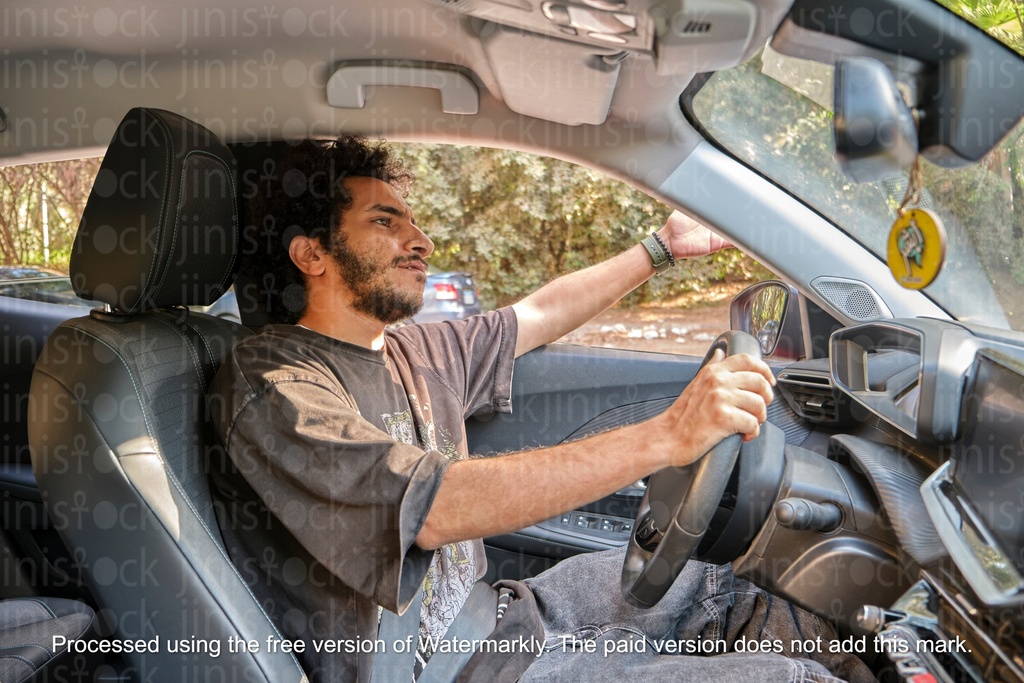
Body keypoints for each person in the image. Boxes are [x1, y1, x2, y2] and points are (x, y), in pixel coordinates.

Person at [209, 135, 873, 683]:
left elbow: (540, 312)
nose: (421, 241)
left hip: (503, 618)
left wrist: (661, 248)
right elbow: (435, 506)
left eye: (414, 221)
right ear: (312, 254)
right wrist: (667, 435)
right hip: (440, 672)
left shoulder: (416, 348)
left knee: (741, 588)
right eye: (385, 221)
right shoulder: (275, 383)